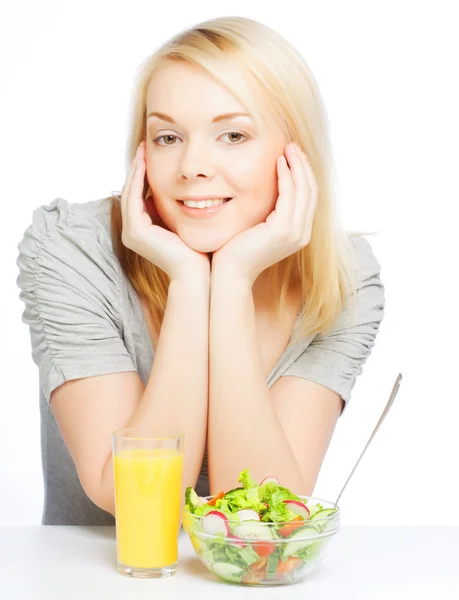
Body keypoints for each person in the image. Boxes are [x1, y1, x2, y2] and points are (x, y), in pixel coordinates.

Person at [16, 16, 385, 526]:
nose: (192, 165)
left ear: (296, 153)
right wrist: (190, 284)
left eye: (233, 135)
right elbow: (137, 500)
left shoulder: (342, 279)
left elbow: (256, 512)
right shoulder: (75, 250)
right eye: (168, 137)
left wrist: (230, 283)